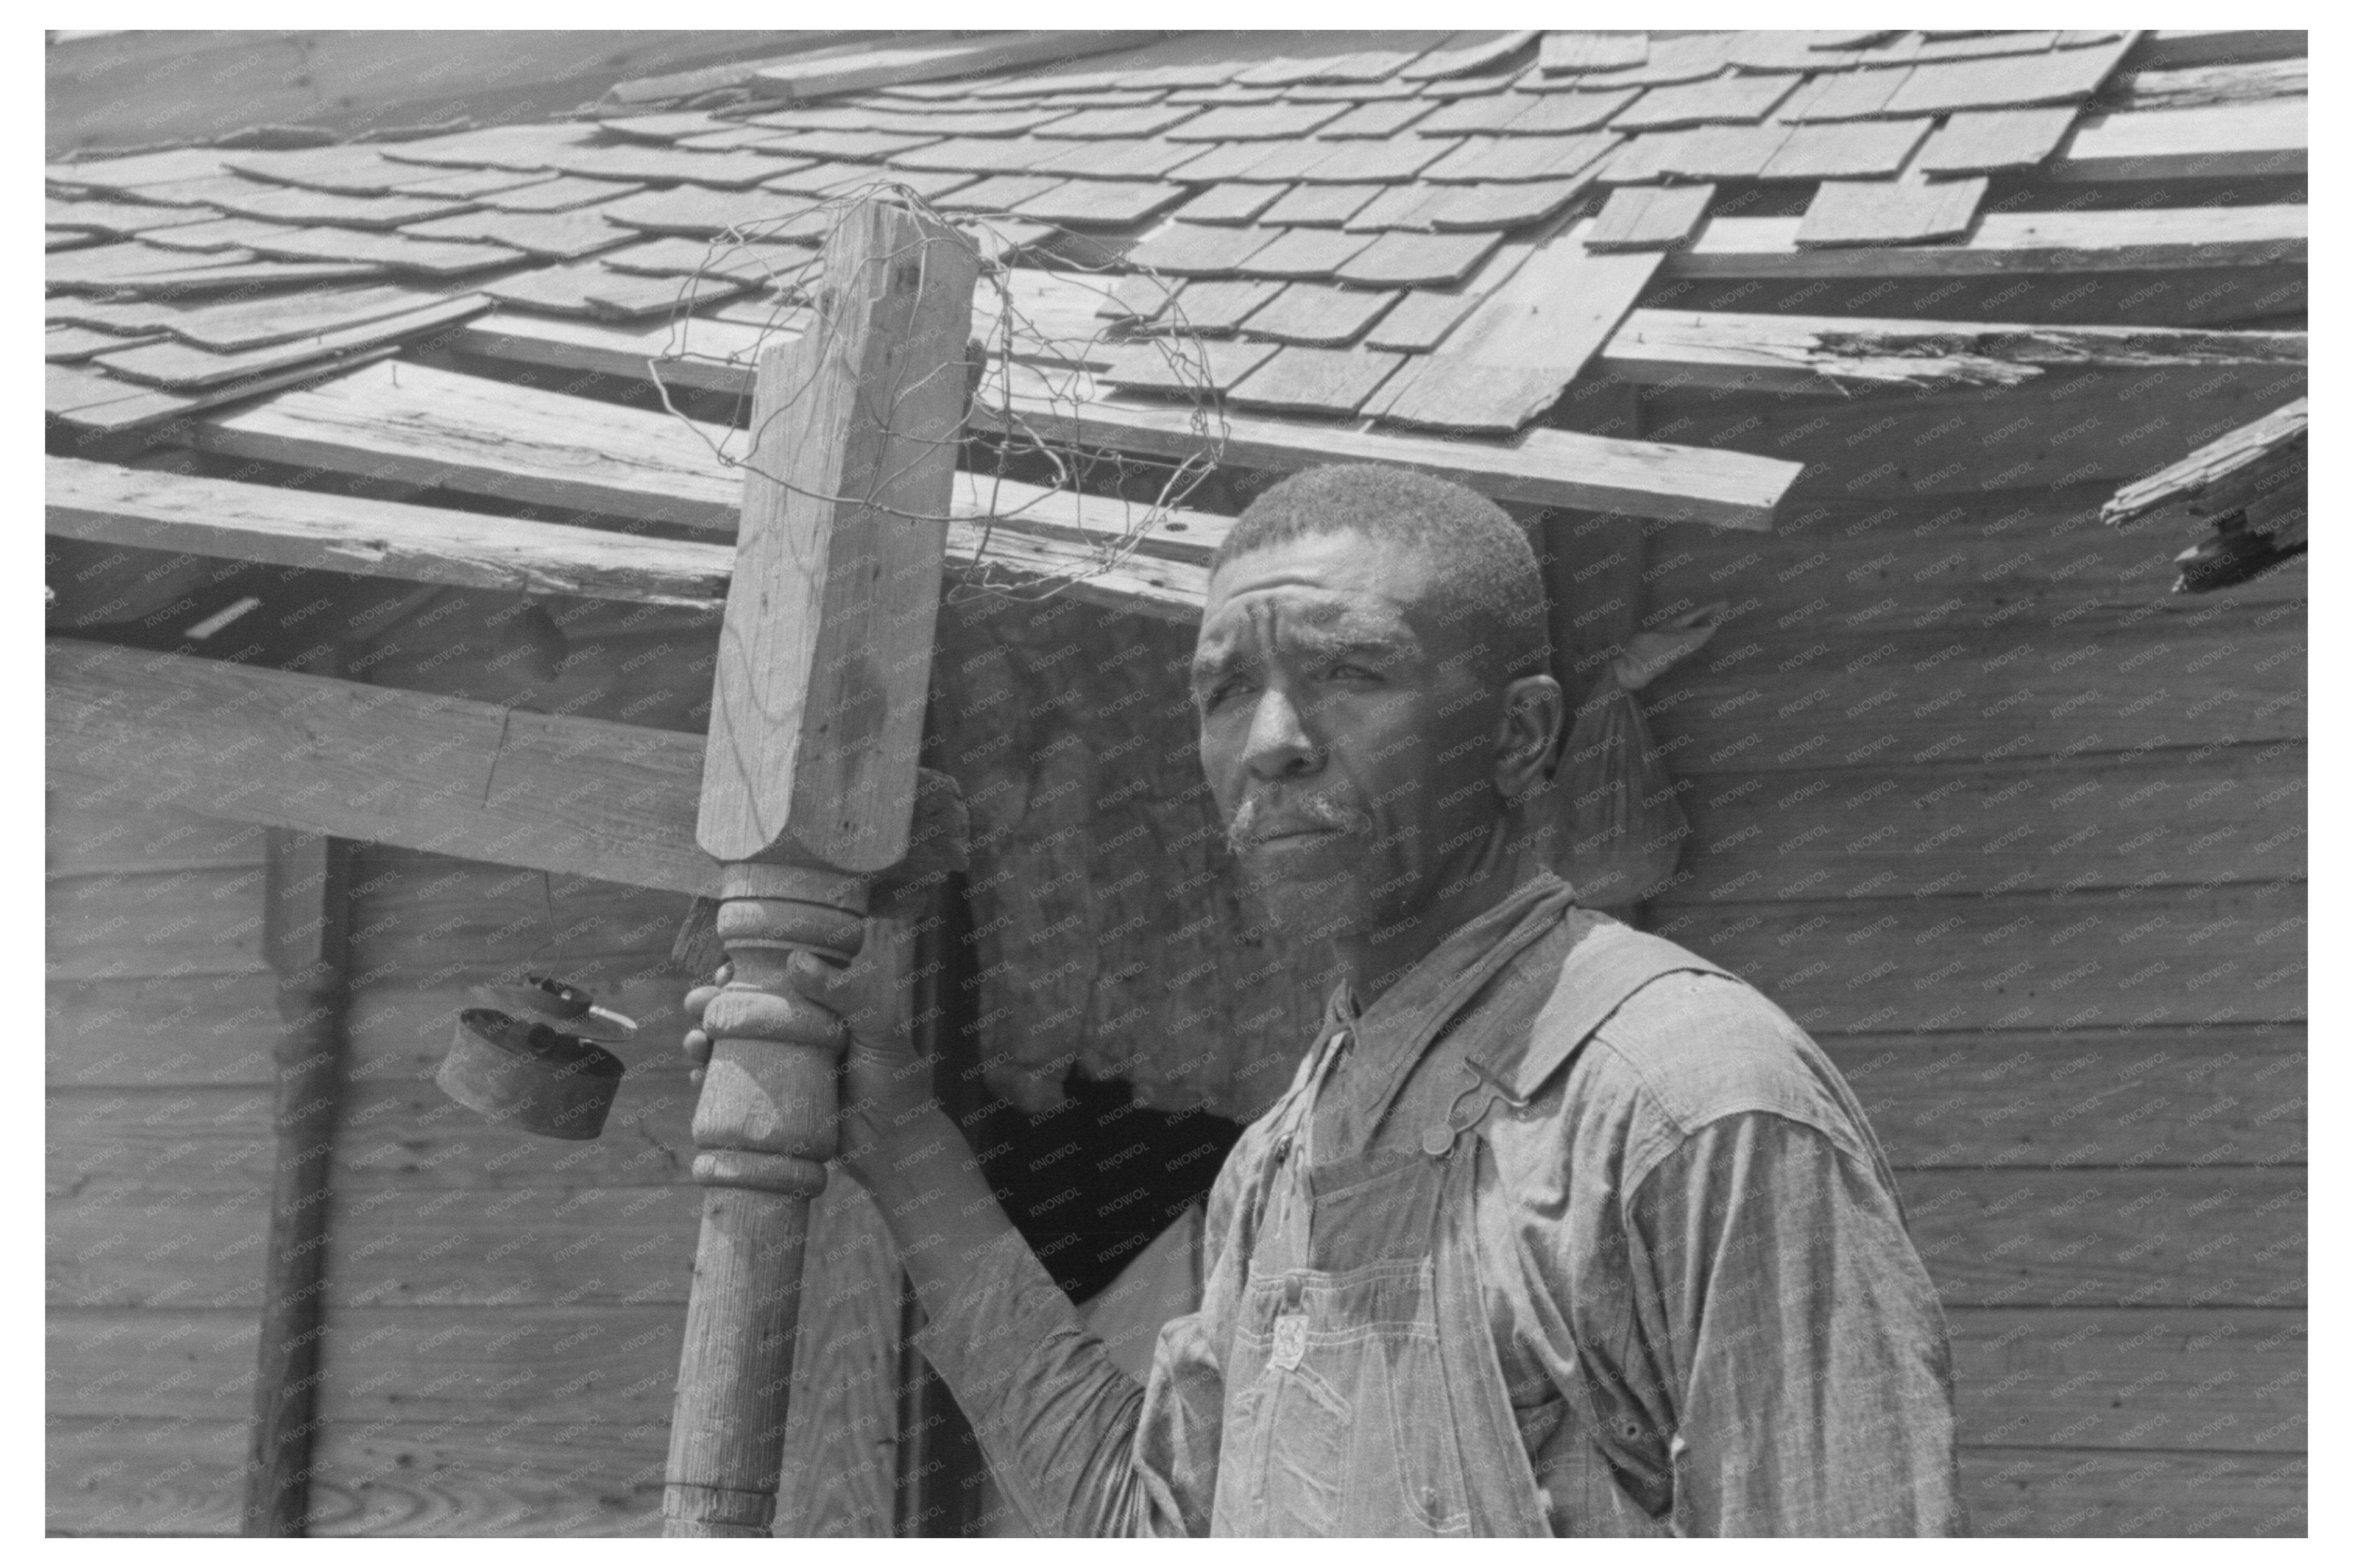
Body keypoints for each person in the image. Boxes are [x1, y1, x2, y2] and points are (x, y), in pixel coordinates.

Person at [684, 464, 1964, 1537]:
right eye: (1223, 688)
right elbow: (1143, 1530)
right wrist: (904, 1145)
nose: (1270, 741)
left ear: (1521, 737)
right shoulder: (1282, 1162)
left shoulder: (1684, 1100)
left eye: (1350, 672)